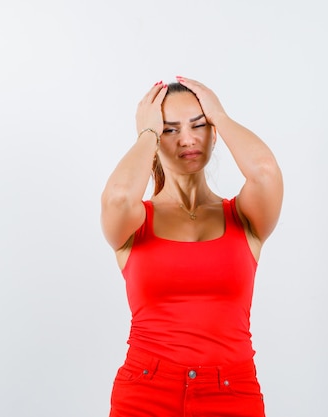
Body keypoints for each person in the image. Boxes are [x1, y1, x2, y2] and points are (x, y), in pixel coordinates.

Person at [100, 76, 283, 417]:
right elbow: (119, 196)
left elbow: (265, 171)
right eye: (169, 130)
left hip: (232, 393)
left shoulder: (244, 217)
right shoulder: (135, 222)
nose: (187, 139)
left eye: (199, 125)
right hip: (144, 391)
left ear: (213, 131)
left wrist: (222, 116)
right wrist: (147, 134)